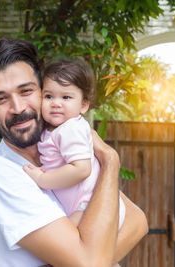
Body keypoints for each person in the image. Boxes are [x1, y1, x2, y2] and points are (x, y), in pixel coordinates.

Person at [0, 37, 148, 267]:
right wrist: (110, 161)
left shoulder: (60, 152)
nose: (18, 108)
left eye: (26, 91)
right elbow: (91, 263)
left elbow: (138, 221)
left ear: (43, 90)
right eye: (1, 99)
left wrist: (95, 258)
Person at [23, 59, 125, 229]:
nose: (56, 103)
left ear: (83, 105)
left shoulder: (71, 128)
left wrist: (42, 179)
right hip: (82, 204)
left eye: (66, 97)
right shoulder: (54, 129)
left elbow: (82, 169)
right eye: (48, 96)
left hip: (89, 204)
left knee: (68, 244)